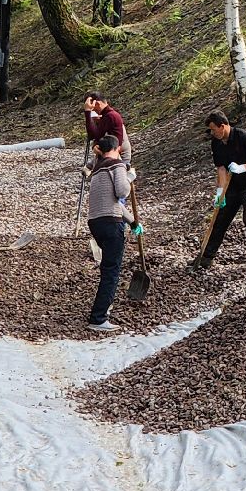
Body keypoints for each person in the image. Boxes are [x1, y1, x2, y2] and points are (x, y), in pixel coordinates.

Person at [189, 110, 246, 268]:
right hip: (231, 188)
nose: (212, 133)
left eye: (213, 129)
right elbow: (221, 169)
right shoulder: (216, 143)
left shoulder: (241, 136)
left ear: (222, 126)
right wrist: (220, 193)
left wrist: (242, 168)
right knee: (220, 219)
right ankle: (206, 257)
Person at [85, 135, 137, 332]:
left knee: (108, 268)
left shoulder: (97, 170)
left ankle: (102, 308)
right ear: (117, 149)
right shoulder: (116, 165)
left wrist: (133, 222)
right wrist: (129, 177)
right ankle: (98, 318)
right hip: (110, 224)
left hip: (96, 222)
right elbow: (122, 192)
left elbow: (112, 203)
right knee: (111, 271)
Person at [83, 93, 129, 168]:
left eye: (93, 109)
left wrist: (88, 112)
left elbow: (93, 135)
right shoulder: (106, 115)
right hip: (112, 152)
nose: (93, 112)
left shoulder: (111, 116)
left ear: (97, 104)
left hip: (118, 155)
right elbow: (96, 135)